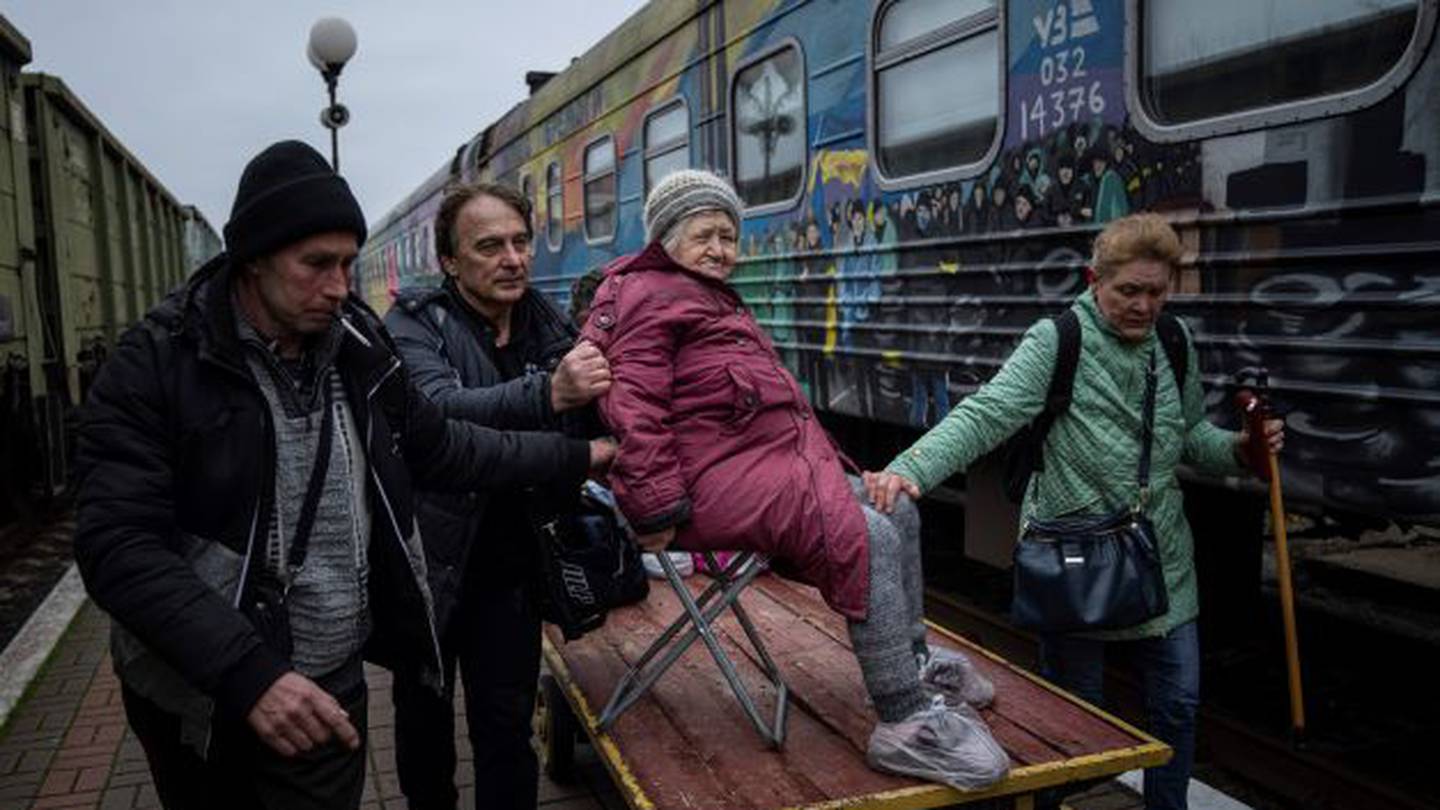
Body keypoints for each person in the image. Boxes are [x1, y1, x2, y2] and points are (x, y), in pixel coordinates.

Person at [72, 141, 614, 810]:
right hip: (203, 699)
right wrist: (247, 673)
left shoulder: (357, 346)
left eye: (349, 265)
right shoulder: (156, 364)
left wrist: (576, 457)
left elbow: (443, 447)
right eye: (316, 265)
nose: (339, 287)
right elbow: (117, 545)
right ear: (253, 259)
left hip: (330, 687)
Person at [579, 169, 1010, 791]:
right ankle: (903, 718)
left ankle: (913, 663)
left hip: (752, 469)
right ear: (666, 238)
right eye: (704, 234)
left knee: (896, 505)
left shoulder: (702, 294)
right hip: (694, 489)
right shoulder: (646, 295)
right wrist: (653, 509)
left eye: (729, 236)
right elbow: (634, 409)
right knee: (866, 531)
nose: (721, 249)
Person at [865, 213, 1284, 810]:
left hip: (1160, 554)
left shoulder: (1173, 342)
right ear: (1095, 280)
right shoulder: (1058, 339)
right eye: (1128, 291)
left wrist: (1243, 450)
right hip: (1075, 560)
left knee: (1179, 705)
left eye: (1156, 293)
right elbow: (987, 414)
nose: (1143, 306)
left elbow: (1191, 436)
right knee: (1074, 719)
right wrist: (910, 470)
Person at [383, 182, 611, 810]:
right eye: (489, 246)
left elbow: (592, 411)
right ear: (451, 262)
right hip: (430, 567)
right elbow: (436, 416)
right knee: (424, 726)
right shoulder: (413, 323)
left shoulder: (544, 317)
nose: (512, 258)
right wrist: (549, 396)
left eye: (520, 242)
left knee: (507, 730)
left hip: (511, 569)